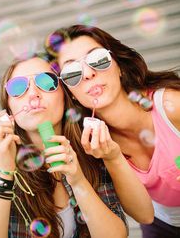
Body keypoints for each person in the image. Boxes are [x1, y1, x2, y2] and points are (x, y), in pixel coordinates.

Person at [0, 54, 153, 238]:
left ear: (65, 94)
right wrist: (4, 171)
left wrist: (78, 180)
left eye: (46, 82)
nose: (33, 94)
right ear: (8, 105)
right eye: (18, 87)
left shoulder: (88, 144)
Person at [44, 24, 180, 238]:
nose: (88, 74)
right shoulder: (91, 145)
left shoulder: (172, 105)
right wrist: (112, 157)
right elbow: (143, 216)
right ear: (70, 92)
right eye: (71, 72)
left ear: (119, 67)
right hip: (162, 225)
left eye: (98, 59)